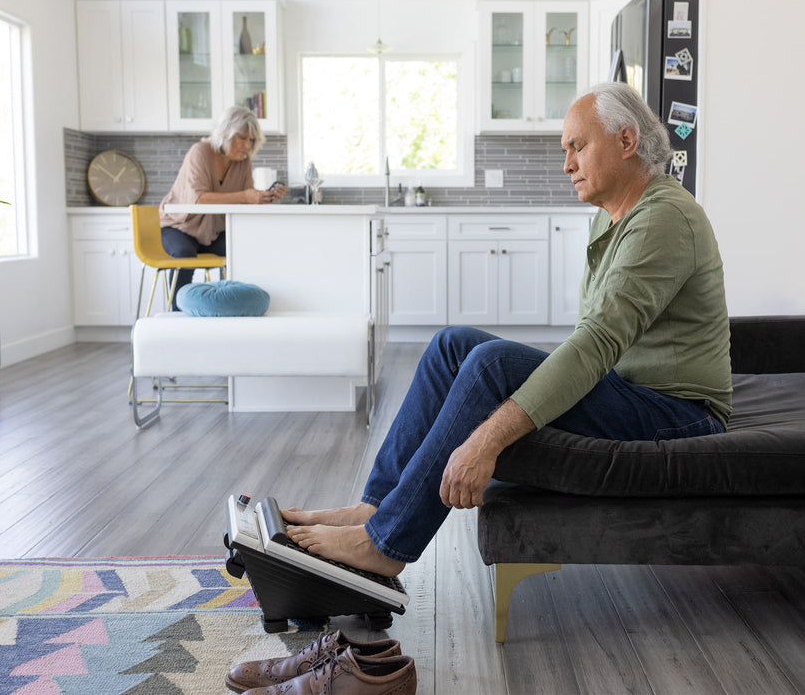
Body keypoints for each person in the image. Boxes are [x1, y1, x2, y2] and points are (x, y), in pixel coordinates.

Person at [283, 82, 732, 578]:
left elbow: (596, 345)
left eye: (577, 147)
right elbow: (596, 343)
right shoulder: (616, 216)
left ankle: (386, 545)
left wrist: (483, 443)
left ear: (626, 141)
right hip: (629, 393)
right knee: (452, 346)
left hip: (678, 414)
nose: (567, 165)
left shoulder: (662, 219)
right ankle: (377, 508)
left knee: (490, 363)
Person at [158, 105, 287, 306]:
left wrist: (265, 197)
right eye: (242, 138)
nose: (247, 145)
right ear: (226, 133)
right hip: (179, 226)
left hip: (212, 231)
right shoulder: (200, 151)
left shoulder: (243, 162)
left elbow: (245, 203)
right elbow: (198, 200)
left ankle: (229, 306)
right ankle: (178, 311)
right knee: (185, 253)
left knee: (242, 248)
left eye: (251, 140)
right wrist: (246, 196)